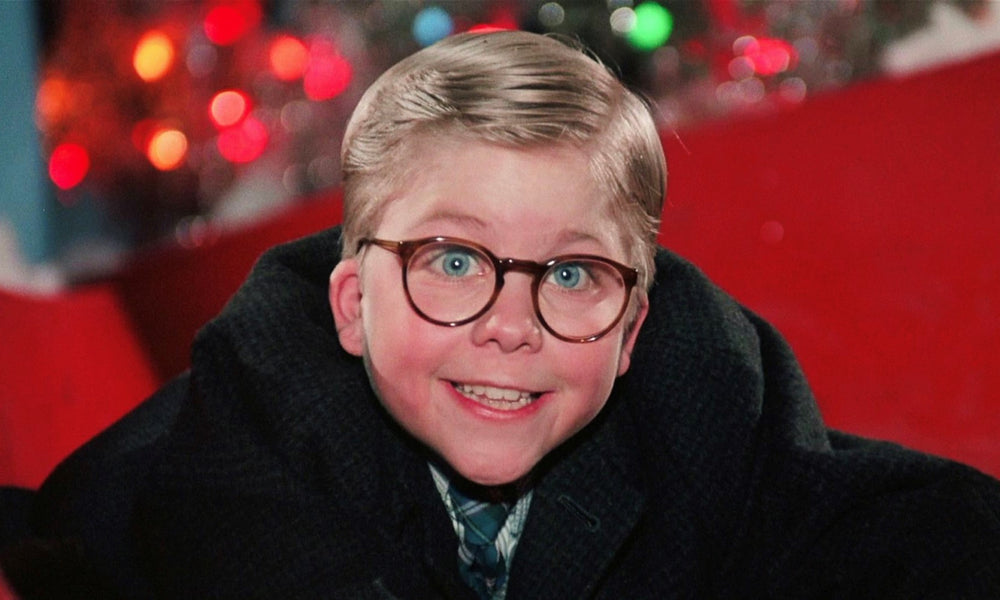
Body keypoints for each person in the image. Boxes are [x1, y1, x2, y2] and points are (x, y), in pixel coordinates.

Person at [8, 30, 1000, 599]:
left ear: (629, 332)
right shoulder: (233, 449)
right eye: (452, 260)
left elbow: (892, 527)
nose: (510, 323)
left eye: (571, 276)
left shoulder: (707, 418)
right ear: (353, 305)